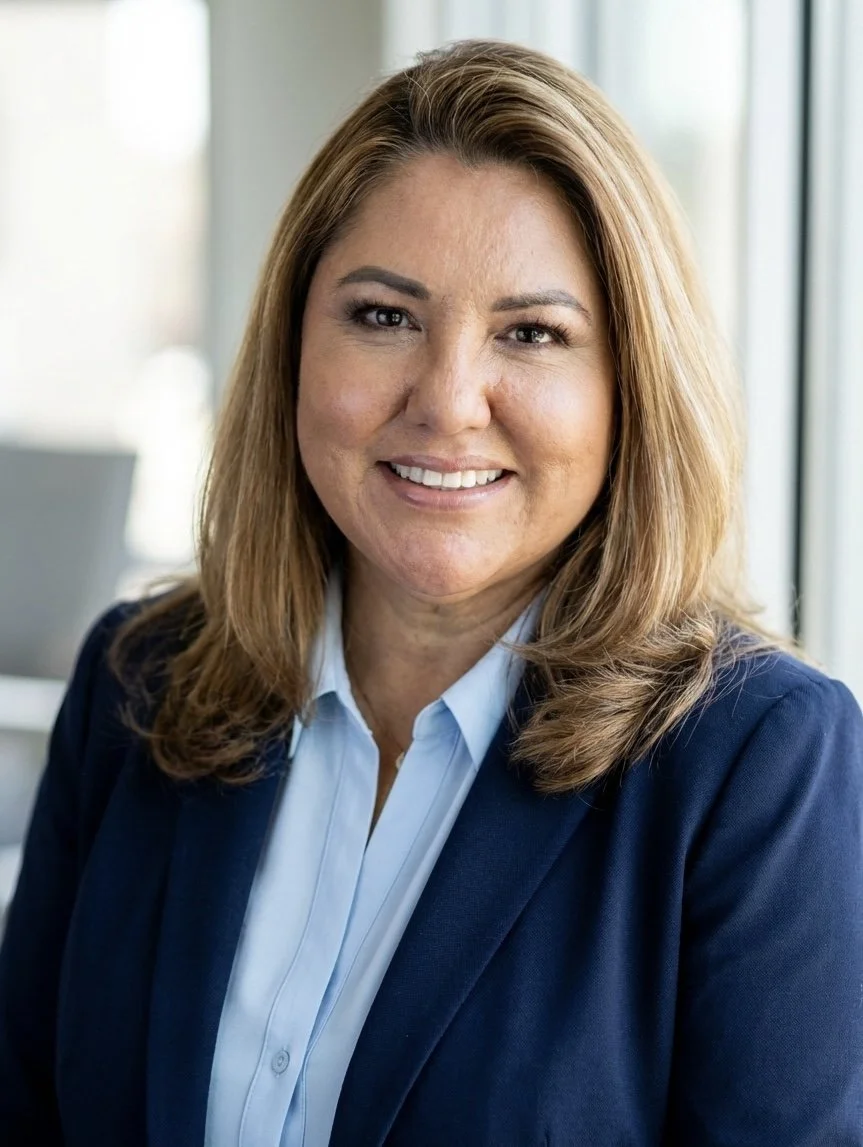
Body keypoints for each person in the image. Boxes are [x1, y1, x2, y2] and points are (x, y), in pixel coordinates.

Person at [1, 38, 861, 1147]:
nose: (449, 402)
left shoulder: (757, 766)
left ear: (628, 388)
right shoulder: (137, 685)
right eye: (383, 317)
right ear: (292, 351)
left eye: (531, 333)